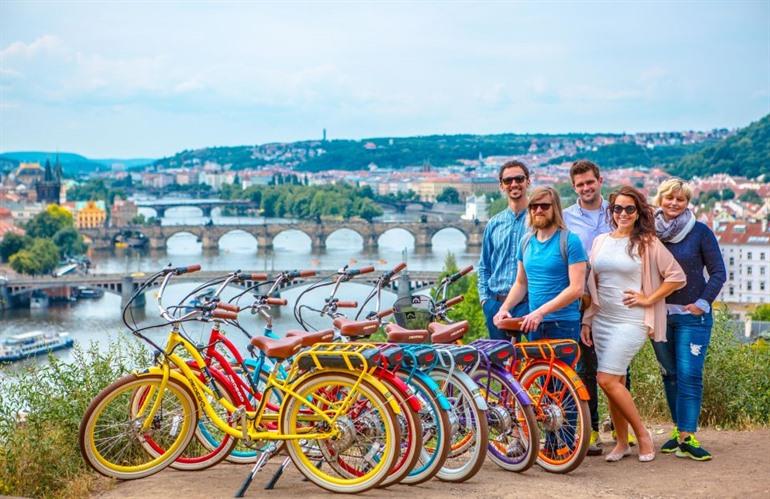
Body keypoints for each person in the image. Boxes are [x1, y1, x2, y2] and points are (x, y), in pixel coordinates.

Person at [580, 186, 686, 463]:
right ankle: (621, 442)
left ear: (638, 212)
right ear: (611, 211)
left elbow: (677, 276)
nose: (623, 213)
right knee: (615, 381)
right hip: (602, 319)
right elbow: (593, 284)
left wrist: (648, 298)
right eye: (618, 208)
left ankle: (642, 435)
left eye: (629, 208)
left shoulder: (648, 243)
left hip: (632, 319)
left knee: (605, 379)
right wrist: (587, 320)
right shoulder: (600, 241)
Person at [651, 179, 726, 461]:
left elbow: (718, 272)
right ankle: (678, 429)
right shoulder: (650, 233)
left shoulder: (700, 232)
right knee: (669, 375)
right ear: (660, 199)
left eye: (680, 199)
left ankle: (688, 436)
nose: (674, 203)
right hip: (660, 315)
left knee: (690, 375)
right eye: (669, 198)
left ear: (687, 203)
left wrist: (702, 303)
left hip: (692, 316)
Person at [563, 160, 632, 455]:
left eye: (590, 182)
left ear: (600, 181)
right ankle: (590, 430)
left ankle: (621, 428)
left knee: (621, 366)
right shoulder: (566, 217)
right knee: (587, 367)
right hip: (584, 299)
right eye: (580, 184)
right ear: (574, 187)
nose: (586, 188)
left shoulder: (617, 211)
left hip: (616, 297)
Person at [493, 186, 587, 354]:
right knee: (536, 370)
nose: (538, 210)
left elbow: (576, 289)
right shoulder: (526, 242)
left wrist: (541, 312)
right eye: (533, 206)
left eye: (544, 206)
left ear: (555, 208)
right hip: (534, 323)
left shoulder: (570, 241)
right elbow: (521, 283)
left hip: (562, 324)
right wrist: (504, 308)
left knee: (561, 372)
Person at [477, 160, 531, 340]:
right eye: (508, 180)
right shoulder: (494, 223)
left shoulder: (539, 220)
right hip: (497, 304)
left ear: (528, 181)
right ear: (501, 186)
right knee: (500, 357)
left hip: (530, 304)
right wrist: (485, 301)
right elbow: (484, 266)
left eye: (519, 179)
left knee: (536, 356)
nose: (514, 184)